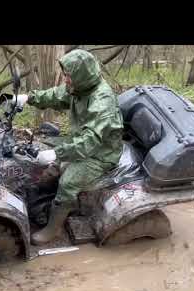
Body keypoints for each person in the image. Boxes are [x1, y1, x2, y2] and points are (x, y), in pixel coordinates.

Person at [15, 49, 124, 245]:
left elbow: (91, 140)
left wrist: (57, 153)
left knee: (68, 182)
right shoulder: (80, 87)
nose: (66, 80)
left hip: (101, 153)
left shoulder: (103, 100)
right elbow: (56, 95)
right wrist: (28, 98)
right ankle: (42, 204)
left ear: (81, 75)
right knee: (48, 169)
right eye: (66, 75)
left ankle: (52, 230)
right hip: (82, 143)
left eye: (69, 76)